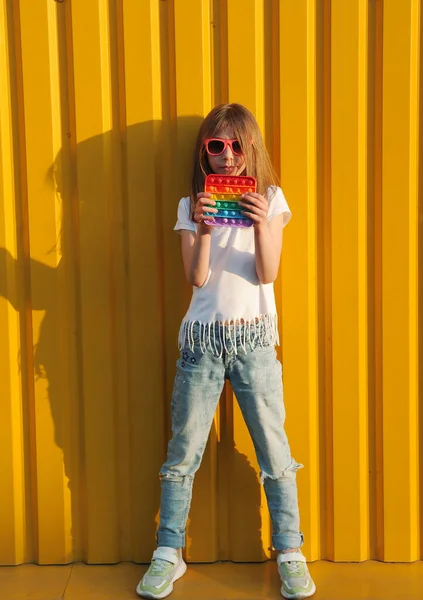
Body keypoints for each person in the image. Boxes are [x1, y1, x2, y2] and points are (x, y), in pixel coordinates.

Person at [136, 103, 316, 600]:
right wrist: (204, 227)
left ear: (250, 147)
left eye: (237, 145)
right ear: (204, 152)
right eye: (216, 146)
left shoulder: (272, 199)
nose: (227, 156)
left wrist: (261, 224)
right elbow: (196, 278)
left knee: (274, 452)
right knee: (182, 454)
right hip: (202, 341)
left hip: (254, 339)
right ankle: (168, 552)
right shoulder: (189, 205)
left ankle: (290, 551)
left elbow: (267, 273)